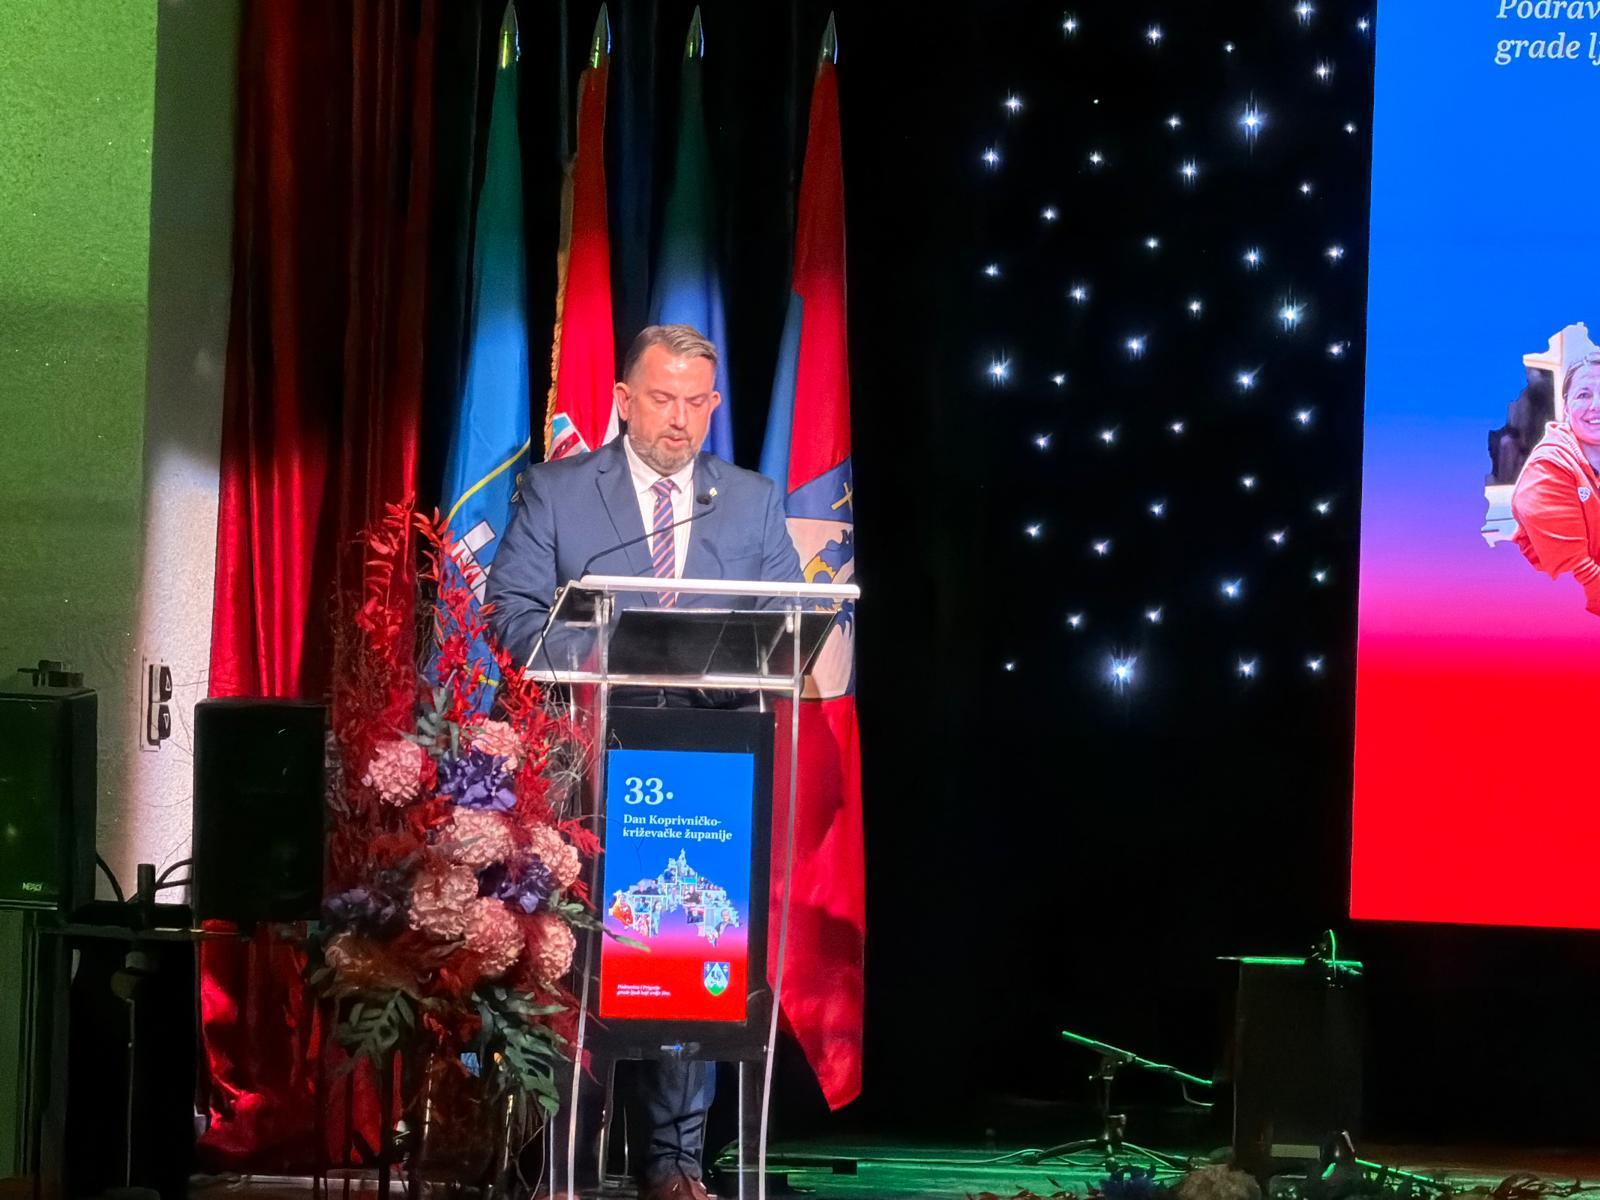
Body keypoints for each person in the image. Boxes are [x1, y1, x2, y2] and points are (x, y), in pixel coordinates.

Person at [486, 324, 803, 1200]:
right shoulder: (557, 492)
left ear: (714, 406)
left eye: (695, 403)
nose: (678, 419)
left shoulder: (750, 501)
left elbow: (789, 620)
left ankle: (674, 1161)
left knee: (687, 949)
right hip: (583, 765)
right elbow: (511, 613)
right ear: (624, 401)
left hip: (708, 763)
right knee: (577, 959)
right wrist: (606, 654)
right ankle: (563, 1155)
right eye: (661, 399)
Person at [1511, 351, 1600, 617]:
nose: (1597, 405)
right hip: (1559, 618)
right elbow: (1578, 579)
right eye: (1584, 394)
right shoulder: (1548, 468)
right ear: (1567, 407)